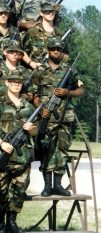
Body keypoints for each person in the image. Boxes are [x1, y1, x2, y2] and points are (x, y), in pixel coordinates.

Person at [0, 72, 38, 233]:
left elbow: (36, 131)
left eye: (19, 82)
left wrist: (32, 129)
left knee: (19, 190)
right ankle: (0, 223)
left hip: (22, 157)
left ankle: (12, 222)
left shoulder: (29, 107)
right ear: (7, 83)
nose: (16, 85)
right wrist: (2, 144)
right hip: (3, 154)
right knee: (0, 191)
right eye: (14, 82)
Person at [32, 37, 83, 196]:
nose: (56, 52)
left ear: (62, 52)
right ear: (48, 51)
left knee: (62, 150)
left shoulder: (69, 70)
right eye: (53, 49)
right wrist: (40, 110)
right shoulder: (40, 71)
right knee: (47, 150)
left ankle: (58, 184)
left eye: (59, 50)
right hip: (47, 118)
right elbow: (32, 94)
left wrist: (68, 92)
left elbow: (81, 90)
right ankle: (47, 185)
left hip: (64, 118)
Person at [22, 1, 66, 68]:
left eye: (53, 11)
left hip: (53, 73)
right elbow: (23, 52)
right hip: (34, 72)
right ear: (41, 13)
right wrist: (32, 63)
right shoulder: (32, 31)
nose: (51, 13)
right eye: (47, 11)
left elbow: (65, 56)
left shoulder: (60, 34)